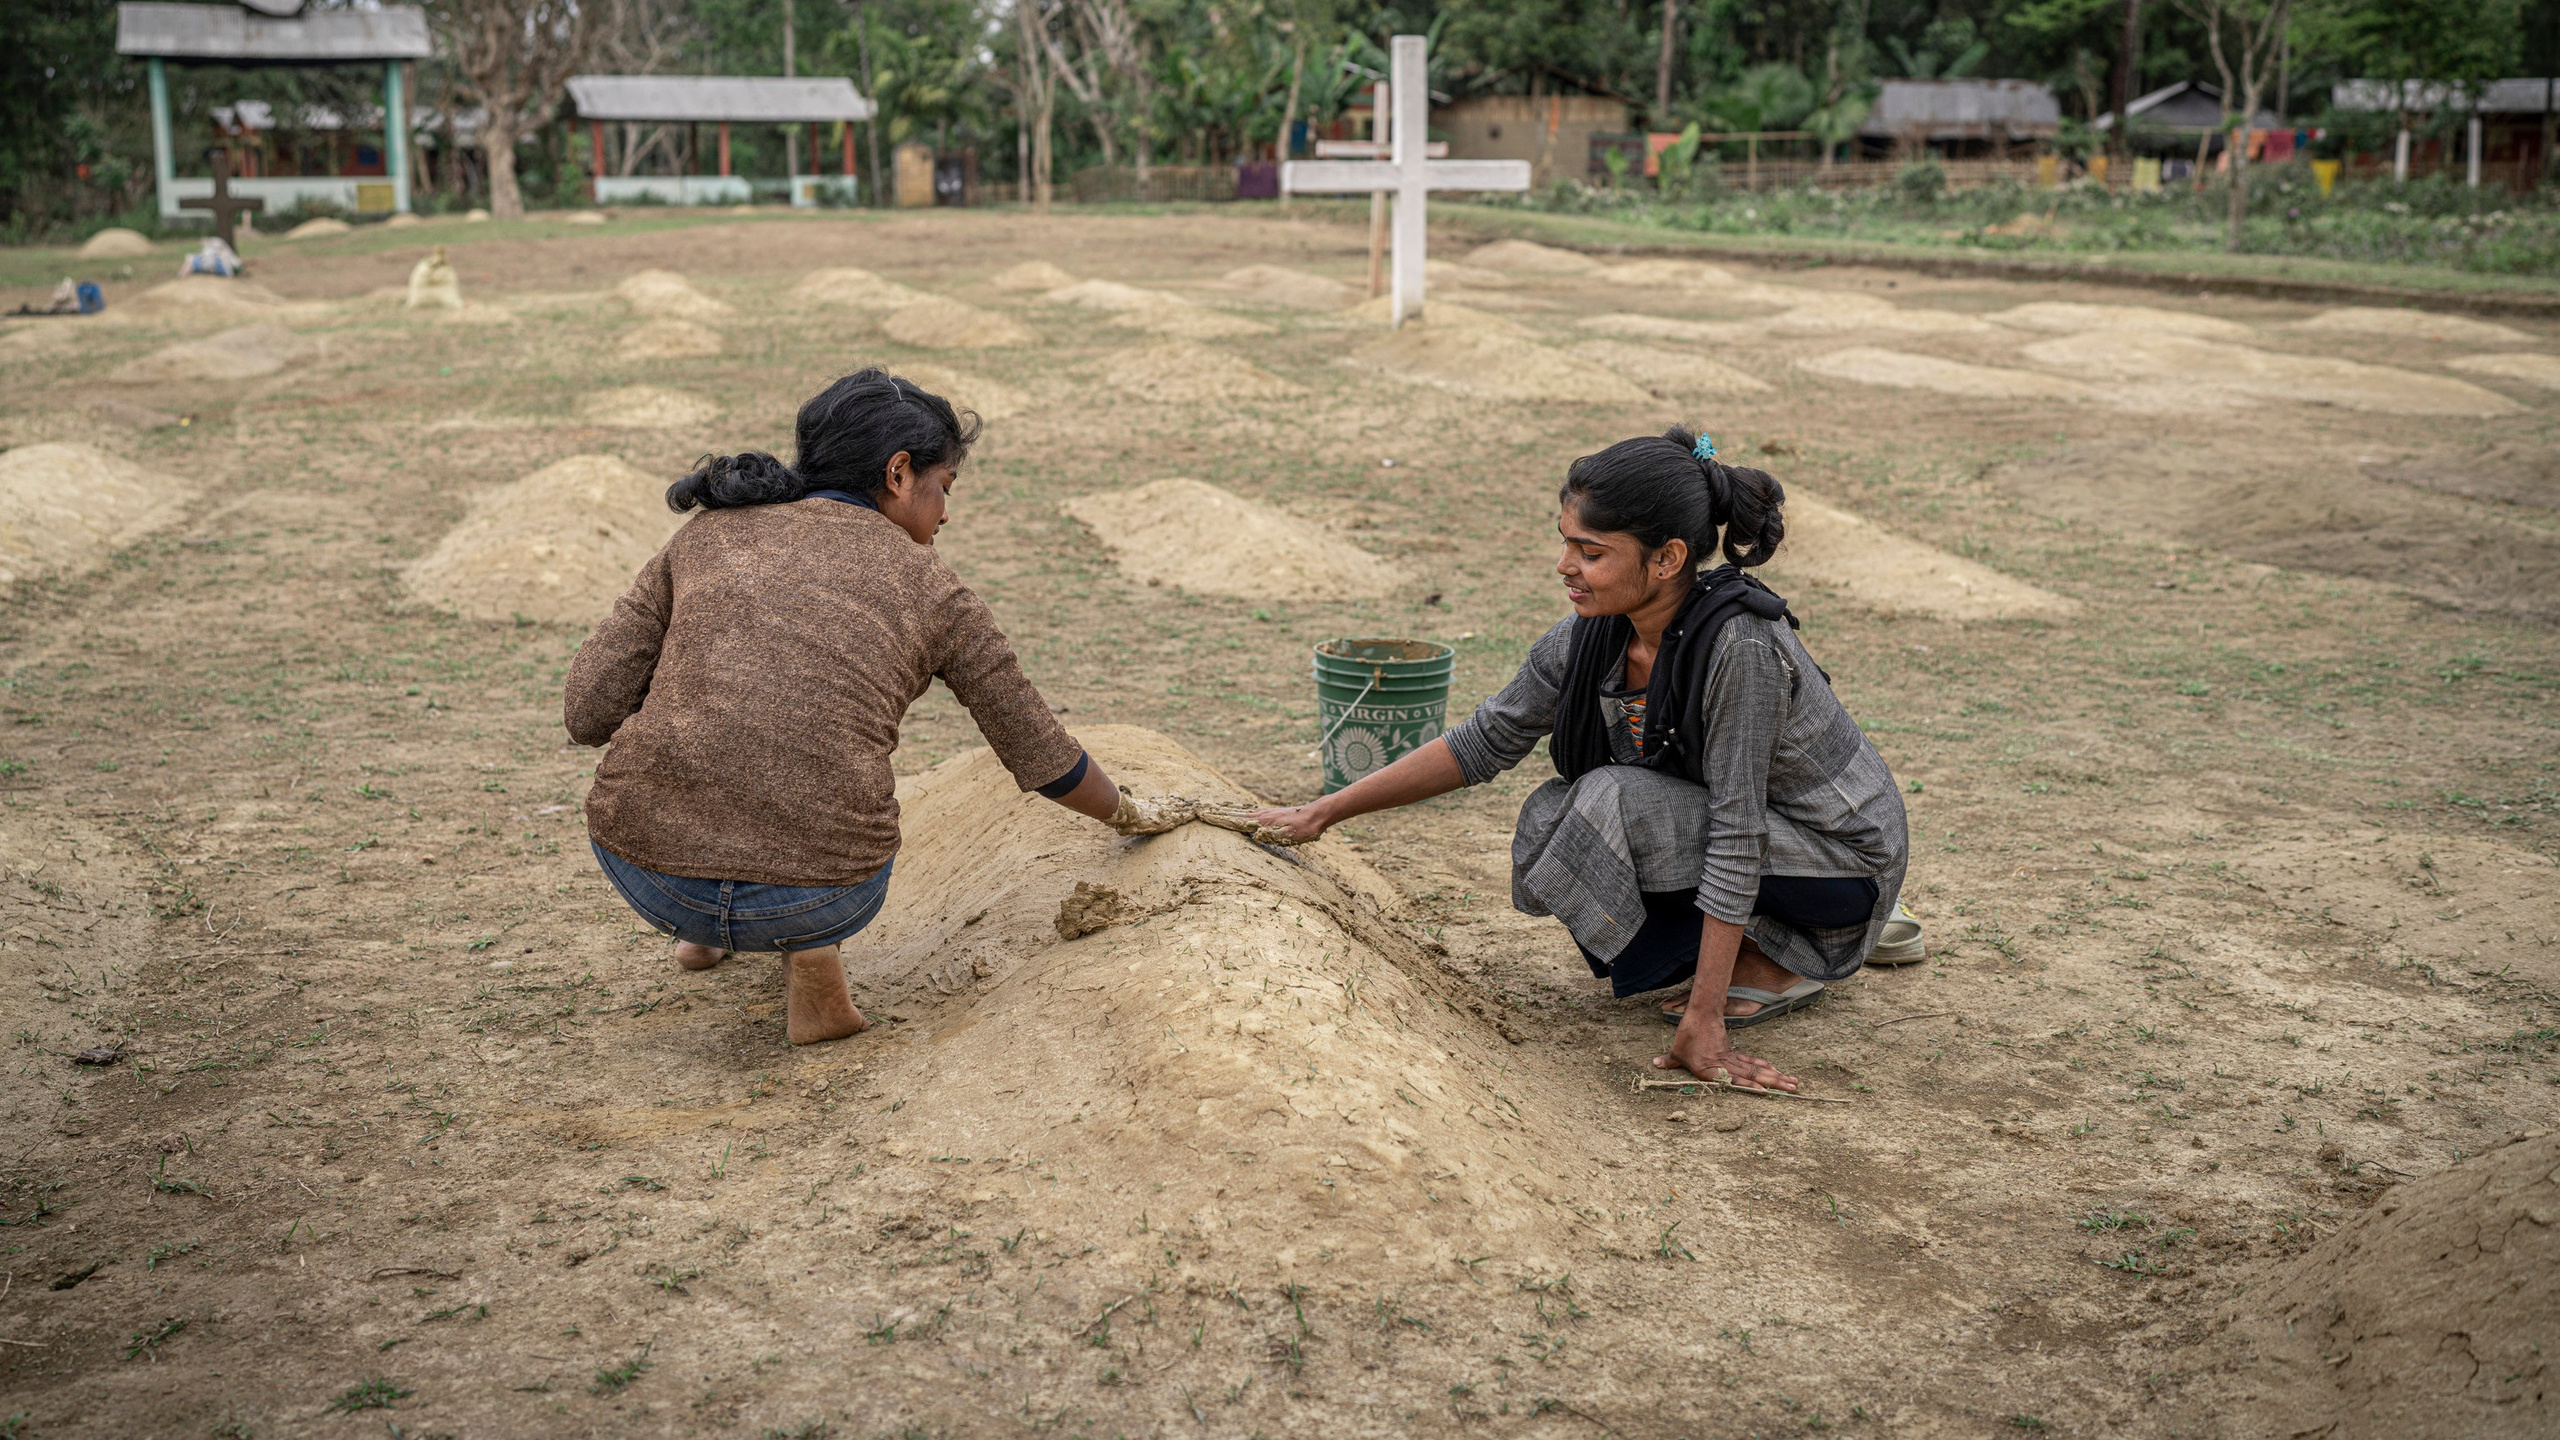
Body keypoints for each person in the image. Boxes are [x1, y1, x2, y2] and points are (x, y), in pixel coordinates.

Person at [1252, 426, 1916, 1093]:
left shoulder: (1741, 649)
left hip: (1842, 858)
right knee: (1554, 812)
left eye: (1590, 551)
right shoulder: (1593, 637)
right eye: (1566, 542)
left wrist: (1704, 1019)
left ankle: (1792, 959)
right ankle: (1758, 942)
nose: (1565, 565)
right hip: (1762, 845)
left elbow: (1738, 832)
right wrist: (1323, 812)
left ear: (1667, 559)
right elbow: (1485, 739)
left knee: (1613, 800)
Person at [563, 370, 1153, 1045]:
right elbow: (1045, 757)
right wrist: (1135, 814)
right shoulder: (939, 592)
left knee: (722, 701)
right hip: (817, 899)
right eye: (945, 491)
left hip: (647, 874)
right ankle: (813, 970)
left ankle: (698, 938)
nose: (946, 516)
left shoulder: (706, 537)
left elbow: (587, 710)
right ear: (900, 474)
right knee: (818, 798)